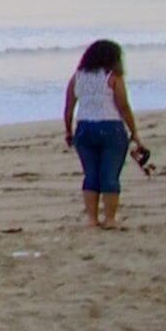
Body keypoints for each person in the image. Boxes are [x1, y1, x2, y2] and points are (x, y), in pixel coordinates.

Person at [61, 39, 144, 229]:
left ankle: (91, 218)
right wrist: (134, 131)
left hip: (84, 128)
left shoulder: (77, 76)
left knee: (91, 174)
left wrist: (68, 130)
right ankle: (110, 218)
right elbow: (123, 106)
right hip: (110, 127)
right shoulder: (113, 76)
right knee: (109, 175)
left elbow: (68, 109)